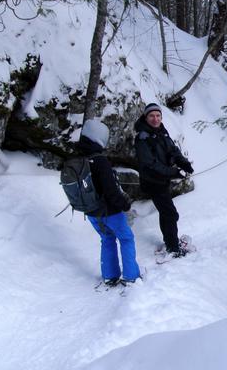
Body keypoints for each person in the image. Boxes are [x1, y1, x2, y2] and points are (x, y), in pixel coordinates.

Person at [78, 119, 140, 285]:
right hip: (110, 212)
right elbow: (111, 192)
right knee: (126, 238)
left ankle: (109, 276)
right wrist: (125, 205)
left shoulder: (79, 159)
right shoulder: (100, 161)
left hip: (91, 212)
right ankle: (131, 276)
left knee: (107, 239)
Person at [134, 103, 194, 258]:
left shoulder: (161, 131)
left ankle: (170, 242)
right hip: (153, 182)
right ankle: (173, 248)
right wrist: (173, 172)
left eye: (158, 116)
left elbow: (173, 150)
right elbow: (150, 164)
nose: (155, 119)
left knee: (166, 213)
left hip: (162, 180)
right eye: (151, 116)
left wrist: (183, 163)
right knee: (170, 214)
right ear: (146, 117)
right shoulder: (142, 138)